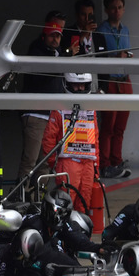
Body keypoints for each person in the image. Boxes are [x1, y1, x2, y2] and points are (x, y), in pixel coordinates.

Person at [19, 18, 67, 188]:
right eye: (52, 36)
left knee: (46, 163)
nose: (55, 40)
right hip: (35, 115)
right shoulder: (36, 52)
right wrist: (66, 59)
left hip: (51, 116)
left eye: (58, 36)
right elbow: (44, 74)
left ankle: (39, 201)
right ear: (44, 36)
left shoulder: (58, 53)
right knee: (30, 161)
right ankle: (22, 198)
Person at [40, 73, 99, 212]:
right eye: (76, 85)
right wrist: (54, 163)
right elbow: (49, 139)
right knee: (65, 203)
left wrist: (96, 167)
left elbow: (95, 139)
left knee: (84, 203)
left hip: (88, 164)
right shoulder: (59, 109)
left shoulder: (91, 109)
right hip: (68, 162)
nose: (79, 88)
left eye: (82, 85)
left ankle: (81, 233)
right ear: (68, 85)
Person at [98, 0, 133, 180]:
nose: (117, 11)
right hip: (110, 80)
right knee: (108, 126)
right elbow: (99, 57)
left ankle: (116, 161)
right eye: (113, 7)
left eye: (120, 7)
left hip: (124, 80)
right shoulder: (101, 30)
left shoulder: (125, 30)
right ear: (106, 10)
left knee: (120, 126)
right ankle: (104, 164)